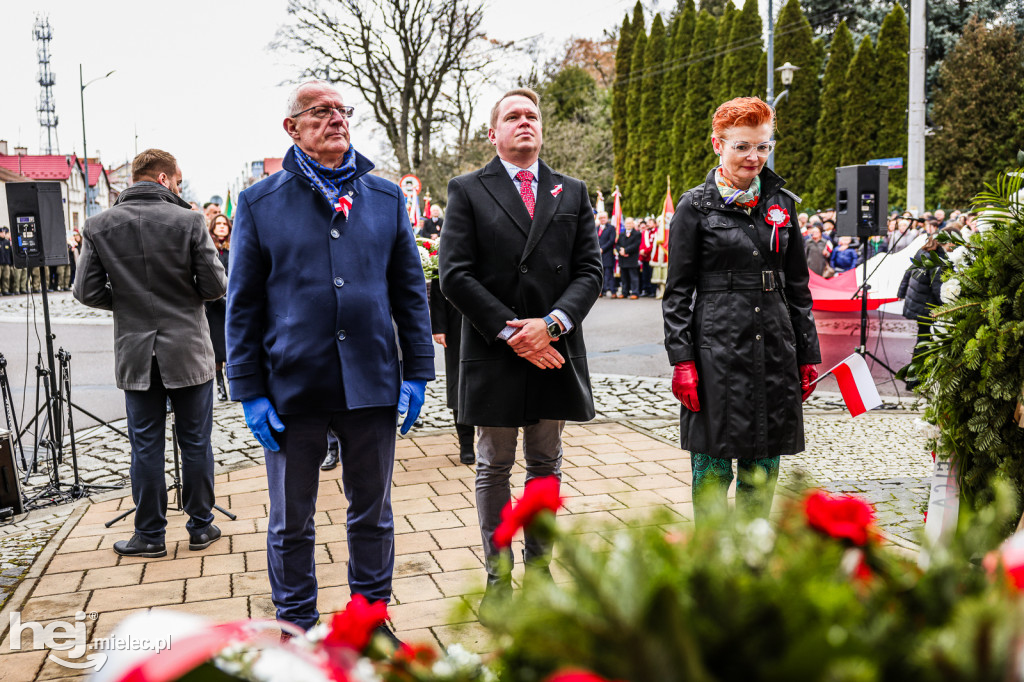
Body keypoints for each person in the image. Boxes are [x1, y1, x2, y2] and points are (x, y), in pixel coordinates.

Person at [226, 80, 434, 635]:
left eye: (343, 111)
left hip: (371, 380)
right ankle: (295, 624)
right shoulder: (260, 202)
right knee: (291, 520)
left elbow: (410, 292)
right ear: (292, 128)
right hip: (292, 385)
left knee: (373, 511)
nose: (336, 120)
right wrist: (248, 389)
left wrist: (416, 371)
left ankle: (370, 619)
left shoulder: (386, 197)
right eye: (320, 112)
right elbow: (241, 304)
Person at [438, 87, 602, 608]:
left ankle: (540, 573)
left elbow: (590, 271)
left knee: (546, 463)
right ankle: (496, 579)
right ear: (494, 133)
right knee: (493, 463)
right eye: (513, 116)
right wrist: (514, 332)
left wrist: (550, 325)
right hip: (496, 348)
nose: (524, 122)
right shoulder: (466, 189)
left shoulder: (571, 192)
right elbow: (454, 275)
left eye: (532, 115)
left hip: (553, 346)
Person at [662, 97, 821, 521]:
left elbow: (799, 285)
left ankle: (754, 557)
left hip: (774, 345)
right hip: (717, 350)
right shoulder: (694, 206)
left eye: (763, 146)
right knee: (712, 469)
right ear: (718, 144)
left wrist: (808, 354)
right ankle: (711, 566)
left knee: (763, 467)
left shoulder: (782, 204)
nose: (754, 157)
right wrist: (682, 361)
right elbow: (677, 294)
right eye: (742, 146)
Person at [73, 148, 227, 557]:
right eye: (177, 181)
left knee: (145, 446)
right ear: (163, 179)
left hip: (136, 353)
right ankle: (200, 527)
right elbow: (215, 286)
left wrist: (127, 302)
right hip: (189, 351)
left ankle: (150, 536)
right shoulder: (190, 220)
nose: (179, 187)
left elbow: (85, 291)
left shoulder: (98, 224)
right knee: (196, 443)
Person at [897, 226, 958, 390]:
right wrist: (947, 308)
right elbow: (938, 287)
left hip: (917, 301)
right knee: (925, 341)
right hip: (926, 305)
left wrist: (902, 292)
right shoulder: (938, 256)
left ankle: (914, 377)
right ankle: (914, 379)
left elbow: (908, 271)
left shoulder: (925, 249)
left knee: (922, 340)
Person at [429, 268, 475, 465]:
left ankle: (495, 442)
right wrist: (439, 326)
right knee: (458, 385)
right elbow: (439, 285)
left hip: (490, 321)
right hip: (456, 325)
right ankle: (466, 445)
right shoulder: (449, 241)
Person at [205, 214, 232, 401]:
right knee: (217, 350)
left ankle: (233, 383)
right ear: (213, 227)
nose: (222, 227)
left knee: (231, 348)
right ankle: (220, 385)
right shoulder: (210, 250)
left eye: (225, 224)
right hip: (215, 308)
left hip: (232, 306)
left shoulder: (234, 249)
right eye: (218, 224)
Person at [618, 217, 641, 299]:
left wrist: (626, 250)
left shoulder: (637, 234)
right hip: (623, 259)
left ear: (633, 224)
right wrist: (620, 250)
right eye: (627, 223)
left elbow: (636, 245)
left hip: (632, 258)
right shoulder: (621, 234)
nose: (628, 225)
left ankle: (635, 292)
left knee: (633, 277)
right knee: (624, 277)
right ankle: (624, 292)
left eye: (630, 223)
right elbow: (617, 244)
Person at [596, 211, 617, 297]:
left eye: (604, 217)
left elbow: (611, 241)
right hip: (598, 255)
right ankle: (601, 291)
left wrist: (602, 249)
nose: (602, 219)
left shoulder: (611, 228)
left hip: (607, 254)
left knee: (609, 274)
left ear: (607, 218)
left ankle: (613, 292)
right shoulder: (596, 228)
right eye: (601, 218)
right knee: (600, 274)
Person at [0, 227, 12, 295]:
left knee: (6, 277)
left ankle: (5, 290)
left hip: (6, 263)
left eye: (4, 232)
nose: (3, 234)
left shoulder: (7, 242)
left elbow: (10, 253)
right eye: (1, 232)